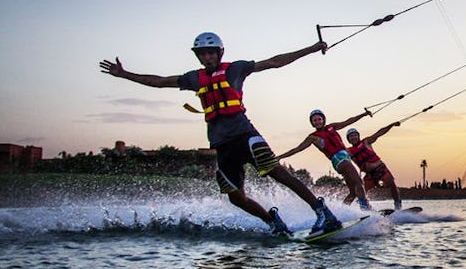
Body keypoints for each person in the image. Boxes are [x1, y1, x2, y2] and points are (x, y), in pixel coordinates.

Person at [99, 31, 342, 237]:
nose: (207, 57)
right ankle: (274, 223)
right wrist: (125, 74)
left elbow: (274, 62)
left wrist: (311, 48)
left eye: (210, 53)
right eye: (202, 54)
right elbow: (160, 81)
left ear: (219, 53)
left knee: (277, 173)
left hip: (245, 135)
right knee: (235, 197)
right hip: (222, 145)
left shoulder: (236, 69)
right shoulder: (194, 78)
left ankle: (323, 213)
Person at [276, 109, 374, 210]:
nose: (317, 122)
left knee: (353, 193)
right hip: (338, 159)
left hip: (345, 158)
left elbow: (349, 121)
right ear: (312, 123)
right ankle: (365, 208)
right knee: (359, 182)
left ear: (323, 120)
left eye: (319, 119)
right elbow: (297, 149)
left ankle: (343, 212)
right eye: (315, 120)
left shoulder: (332, 127)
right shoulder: (313, 137)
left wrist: (364, 114)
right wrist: (280, 156)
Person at [345, 120, 403, 209]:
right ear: (348, 140)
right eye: (351, 136)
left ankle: (398, 206)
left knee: (392, 184)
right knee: (359, 192)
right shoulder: (348, 151)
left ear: (358, 136)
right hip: (369, 175)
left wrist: (391, 125)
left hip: (380, 168)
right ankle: (346, 209)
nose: (353, 137)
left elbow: (380, 133)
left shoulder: (366, 142)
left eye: (355, 135)